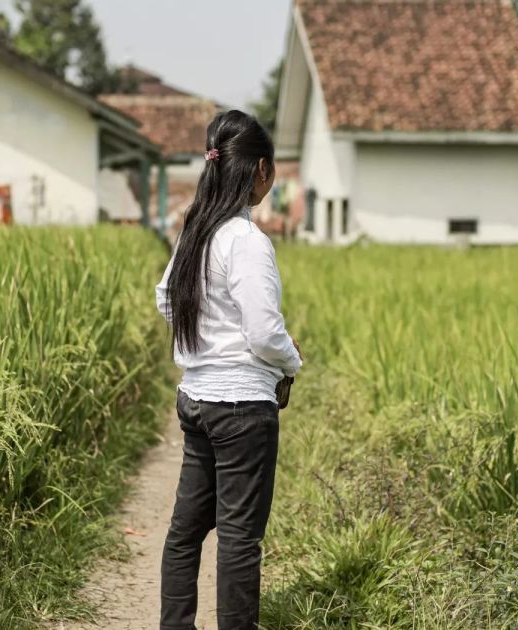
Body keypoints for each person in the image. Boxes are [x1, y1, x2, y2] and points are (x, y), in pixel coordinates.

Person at [155, 110, 303, 630]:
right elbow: (263, 332)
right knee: (240, 539)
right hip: (242, 408)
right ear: (260, 170)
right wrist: (292, 360)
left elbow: (167, 301)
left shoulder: (196, 230)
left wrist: (204, 346)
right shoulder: (246, 240)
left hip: (197, 399)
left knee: (186, 531)